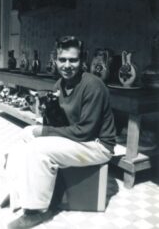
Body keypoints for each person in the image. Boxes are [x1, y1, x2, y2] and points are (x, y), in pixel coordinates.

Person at [7, 36, 116, 229]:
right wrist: (48, 111)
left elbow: (85, 131)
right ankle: (19, 194)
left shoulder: (93, 85)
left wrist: (44, 131)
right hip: (80, 139)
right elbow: (63, 124)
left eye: (73, 60)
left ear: (82, 61)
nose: (67, 65)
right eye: (62, 59)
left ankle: (36, 211)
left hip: (97, 145)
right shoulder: (60, 84)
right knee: (23, 135)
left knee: (37, 149)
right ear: (56, 60)